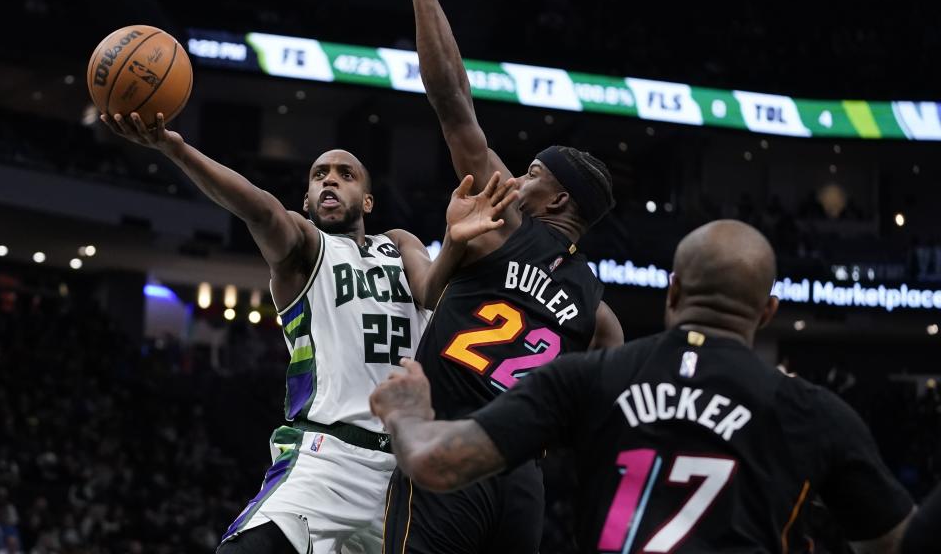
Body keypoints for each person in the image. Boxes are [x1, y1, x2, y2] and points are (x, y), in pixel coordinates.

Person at [101, 112, 518, 554]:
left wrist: (453, 242)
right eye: (320, 175)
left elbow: (431, 292)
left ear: (369, 201)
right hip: (326, 457)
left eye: (345, 174)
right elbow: (259, 209)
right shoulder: (305, 250)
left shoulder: (398, 242)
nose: (330, 181)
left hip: (406, 470)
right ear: (306, 199)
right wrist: (175, 148)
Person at [371, 220, 917, 553]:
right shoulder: (812, 412)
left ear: (673, 293)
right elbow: (898, 543)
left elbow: (436, 464)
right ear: (769, 311)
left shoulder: (588, 376)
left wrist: (408, 413)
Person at [382, 0, 625, 552]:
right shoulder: (600, 314)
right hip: (521, 481)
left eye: (533, 171)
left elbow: (451, 96)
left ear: (557, 197)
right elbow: (601, 422)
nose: (515, 176)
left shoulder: (503, 219)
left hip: (446, 450)